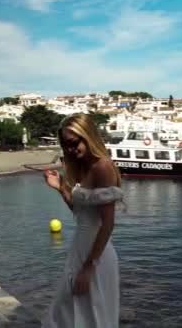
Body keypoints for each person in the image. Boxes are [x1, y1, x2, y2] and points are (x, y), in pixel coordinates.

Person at [42, 113, 123, 328]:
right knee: (67, 312)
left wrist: (89, 268)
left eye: (73, 143)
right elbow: (81, 212)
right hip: (80, 249)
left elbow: (107, 224)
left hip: (96, 256)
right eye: (65, 145)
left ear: (88, 136)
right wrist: (60, 187)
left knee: (92, 316)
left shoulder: (103, 166)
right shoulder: (83, 166)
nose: (70, 150)